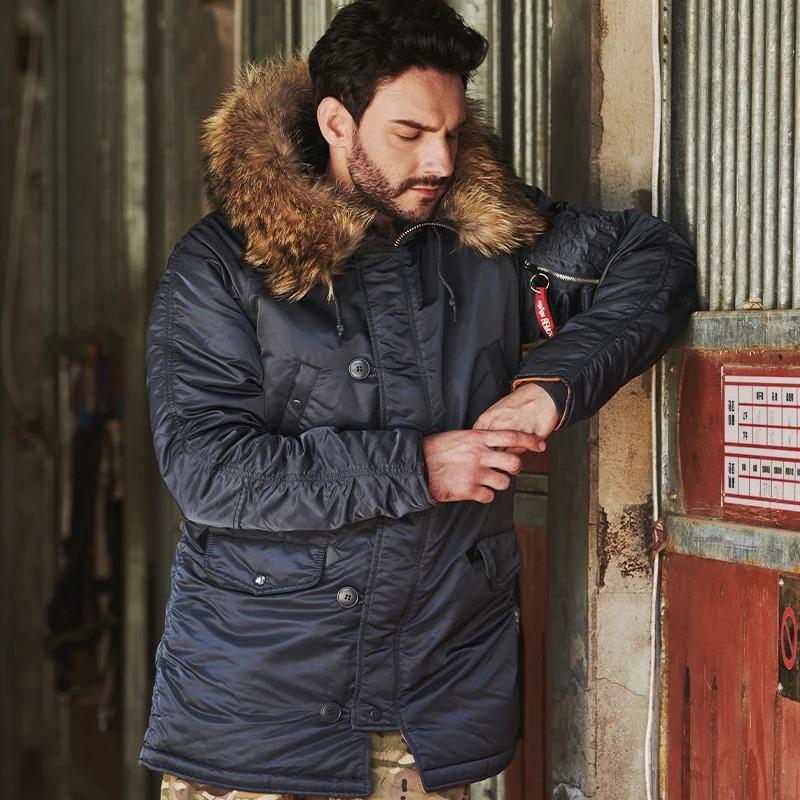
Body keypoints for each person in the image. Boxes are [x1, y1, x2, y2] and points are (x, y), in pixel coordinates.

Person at [141, 1, 697, 798]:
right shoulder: (224, 264)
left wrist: (553, 384)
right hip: (258, 716)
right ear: (337, 123)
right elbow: (209, 471)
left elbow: (654, 257)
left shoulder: (489, 237)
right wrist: (419, 467)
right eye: (409, 134)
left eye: (452, 132)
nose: (439, 160)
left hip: (428, 709)